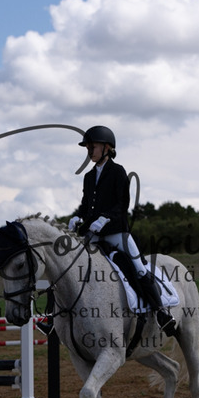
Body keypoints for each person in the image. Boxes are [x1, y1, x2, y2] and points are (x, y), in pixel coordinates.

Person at [69, 125, 176, 336]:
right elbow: (86, 205)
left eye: (92, 147)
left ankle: (160, 311)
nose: (89, 151)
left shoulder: (118, 172)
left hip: (117, 233)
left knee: (138, 268)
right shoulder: (88, 176)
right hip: (93, 235)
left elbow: (121, 205)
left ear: (107, 148)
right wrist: (78, 217)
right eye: (88, 148)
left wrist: (105, 218)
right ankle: (53, 318)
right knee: (69, 266)